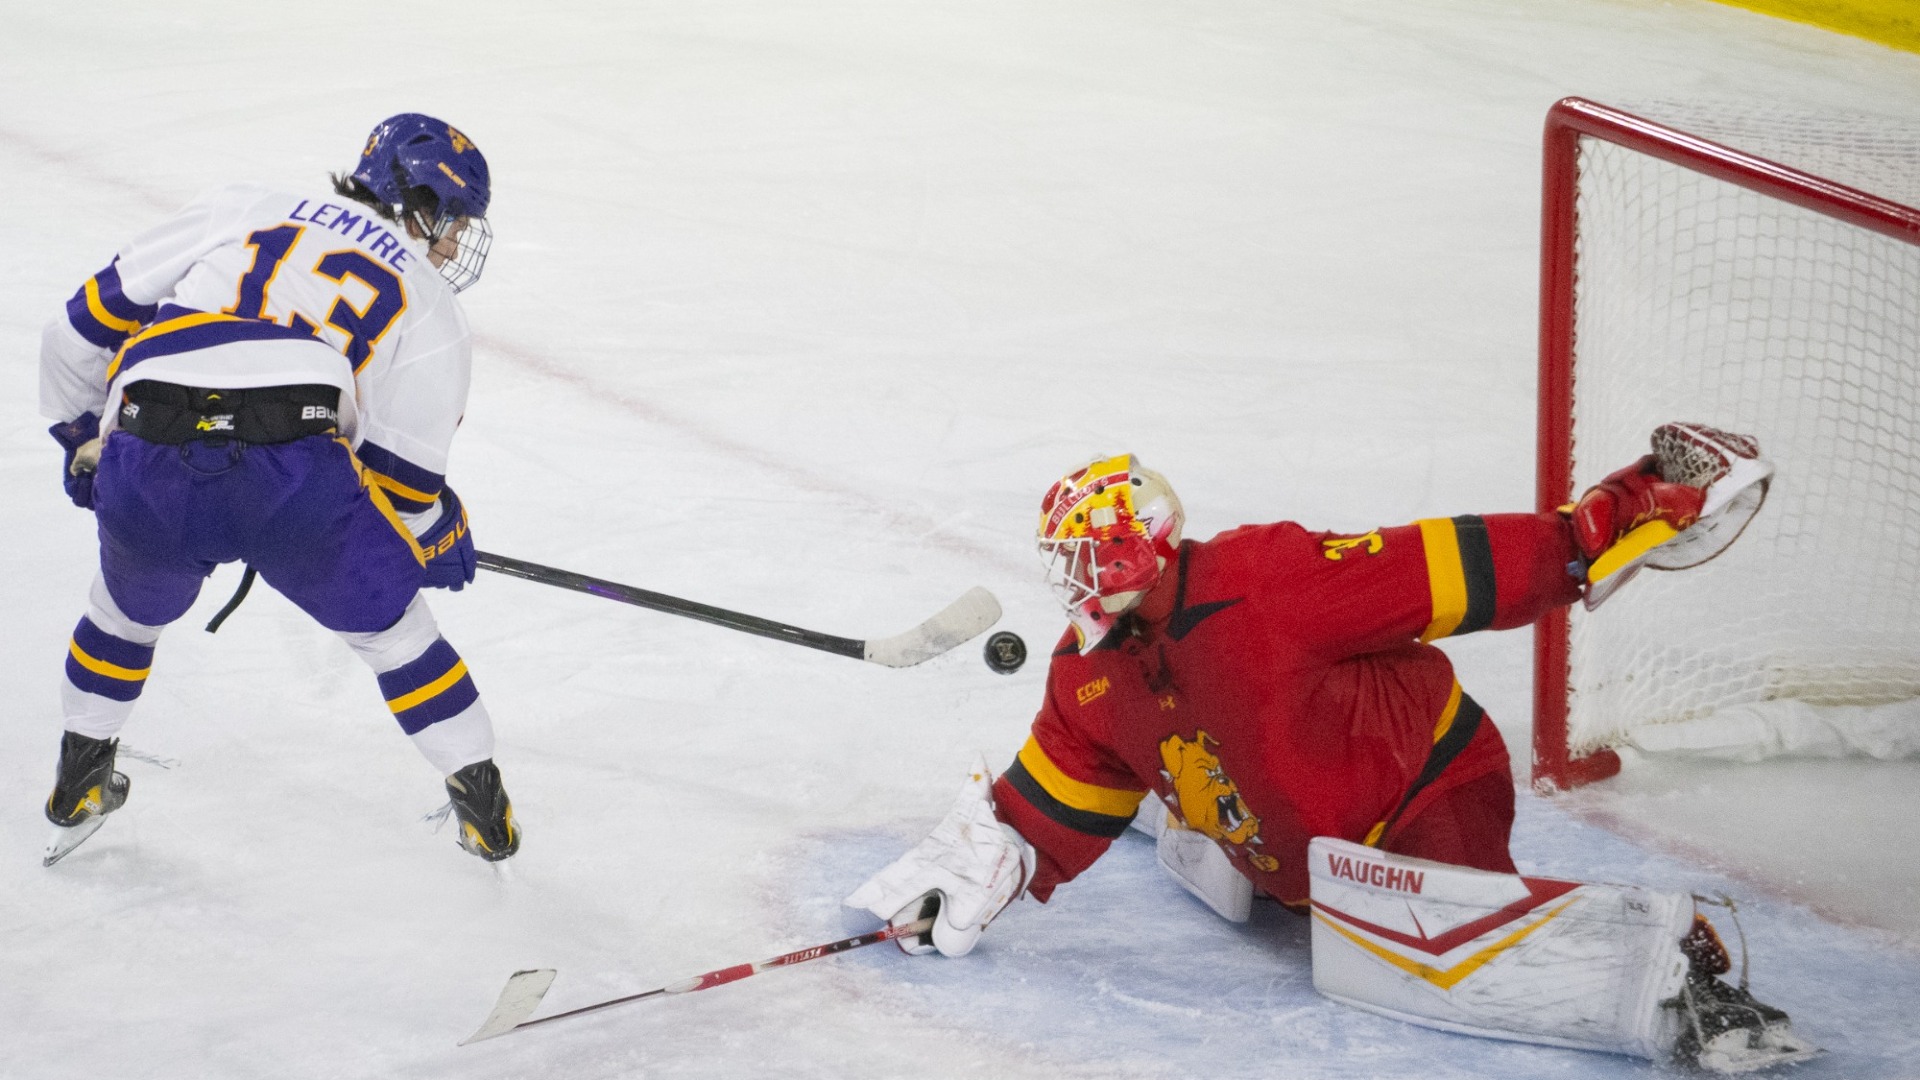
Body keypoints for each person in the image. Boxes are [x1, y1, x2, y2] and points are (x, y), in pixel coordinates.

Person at [847, 432, 1815, 1073]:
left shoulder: (1266, 579)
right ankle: (1190, 820)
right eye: (1069, 553)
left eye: (1096, 546)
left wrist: (1593, 528)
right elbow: (1062, 786)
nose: (1080, 571)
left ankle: (1683, 976)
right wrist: (987, 860)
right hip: (1294, 851)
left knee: (1457, 945)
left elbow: (1445, 566)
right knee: (1182, 792)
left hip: (1421, 781)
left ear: (1148, 540)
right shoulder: (1087, 676)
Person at [38, 113, 518, 865]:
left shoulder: (245, 204)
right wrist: (436, 540)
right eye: (453, 220)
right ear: (418, 202)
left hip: (147, 441)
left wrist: (80, 441)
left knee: (120, 615)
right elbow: (403, 486)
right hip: (293, 472)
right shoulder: (430, 303)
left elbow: (78, 330)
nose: (454, 243)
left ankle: (80, 780)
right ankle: (485, 810)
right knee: (395, 634)